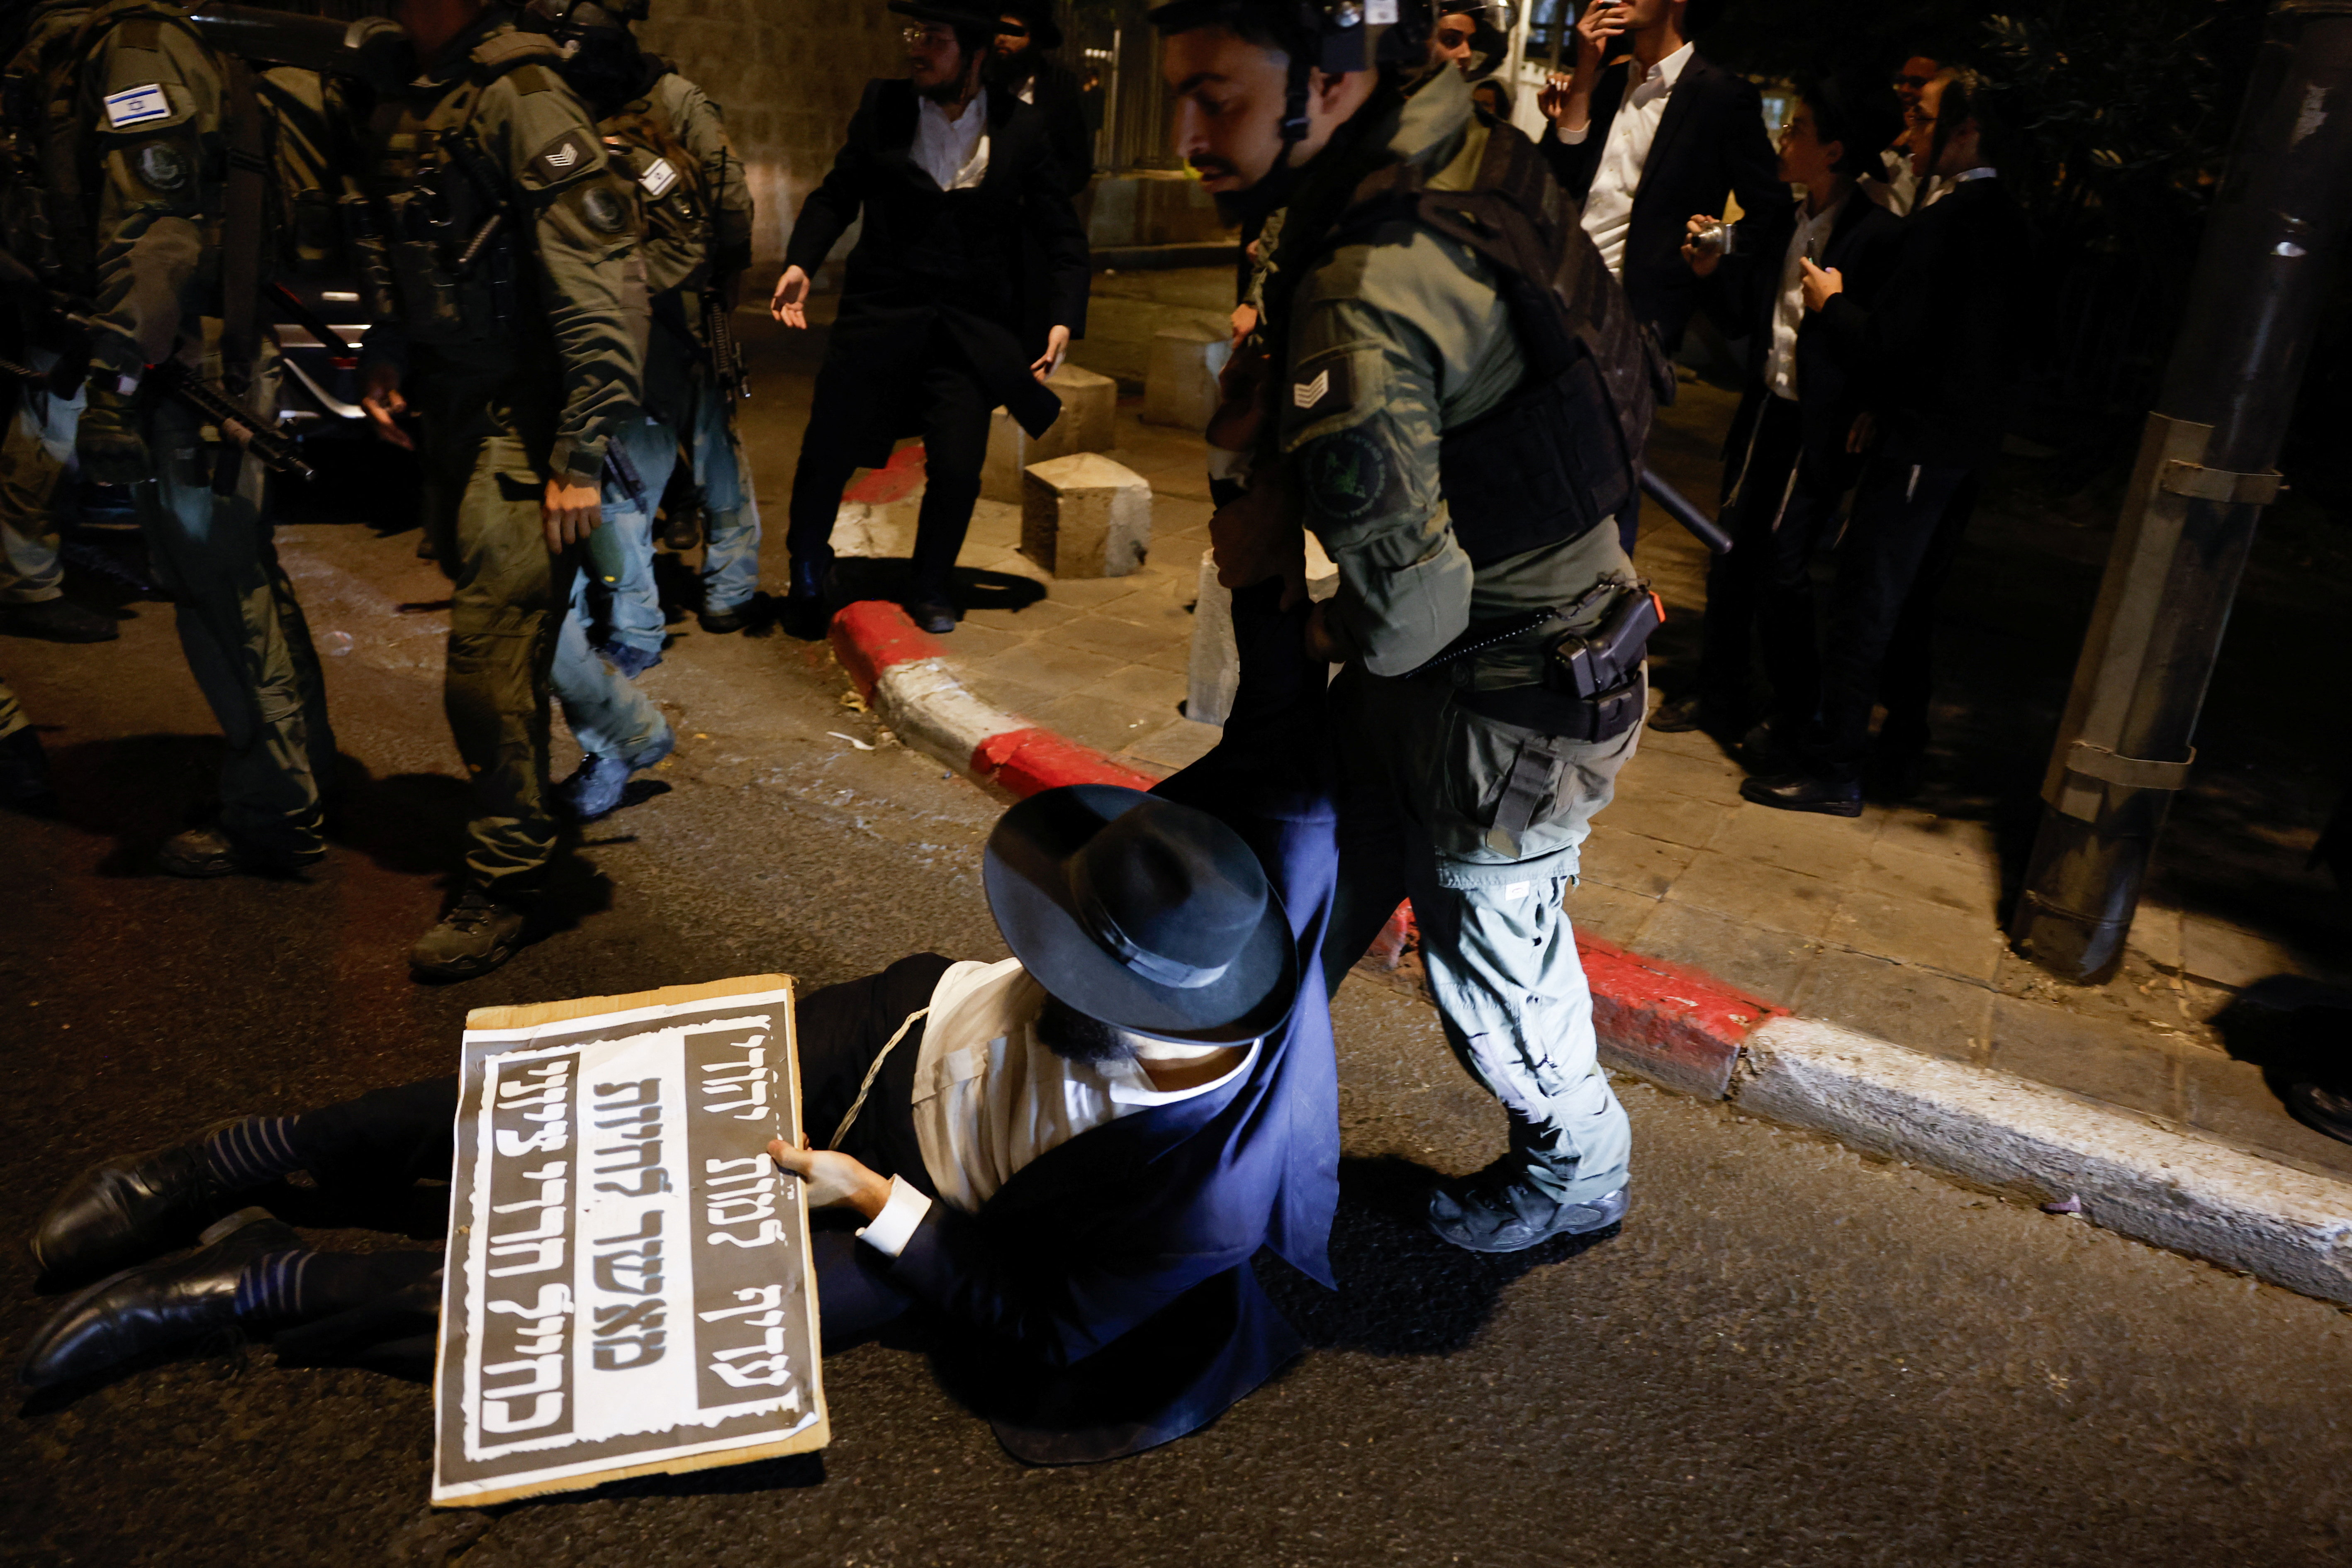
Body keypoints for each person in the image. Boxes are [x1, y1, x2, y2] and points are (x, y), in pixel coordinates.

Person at [21, 624, 1347, 1462]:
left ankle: (258, 1284)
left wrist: (875, 1200)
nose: (1040, 954)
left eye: (1069, 961)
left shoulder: (1203, 1203)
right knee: (568, 1095)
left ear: (1160, 1013)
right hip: (892, 1037)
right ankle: (232, 1158)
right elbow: (1288, 731)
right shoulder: (1198, 910)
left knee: (634, 1326)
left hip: (941, 1218)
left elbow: (1044, 1322)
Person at [1158, 0, 1663, 1253]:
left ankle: (1579, 1174)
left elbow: (1406, 617)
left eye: (1217, 97)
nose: (1185, 135)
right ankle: (1235, 1117)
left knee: (1494, 972)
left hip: (1501, 696)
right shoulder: (1453, 145)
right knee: (1320, 880)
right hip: (1481, 649)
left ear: (1329, 83)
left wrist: (1308, 607)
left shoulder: (1370, 288)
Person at [355, 0, 664, 974]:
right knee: (510, 647)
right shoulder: (418, 91)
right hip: (453, 410)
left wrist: (578, 454)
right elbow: (407, 242)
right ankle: (621, 736)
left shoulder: (524, 98)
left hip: (523, 422)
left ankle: (507, 877)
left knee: (487, 663)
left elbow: (600, 286)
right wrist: (389, 348)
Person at [63, 0, 343, 879]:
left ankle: (273, 813)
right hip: (198, 356)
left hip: (183, 364)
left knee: (219, 596)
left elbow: (157, 236)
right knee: (243, 582)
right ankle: (304, 775)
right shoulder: (148, 37)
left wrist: (115, 380)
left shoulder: (140, 46)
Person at [1741, 67, 2028, 816]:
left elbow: (1897, 344)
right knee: (1909, 603)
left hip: (1921, 446)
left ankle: (1836, 765)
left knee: (1867, 602)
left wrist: (1833, 304)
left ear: (1966, 132)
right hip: (1959, 448)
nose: (1907, 136)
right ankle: (1900, 749)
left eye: (1924, 120)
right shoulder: (2005, 218)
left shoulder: (1950, 220)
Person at [771, 0, 1089, 638]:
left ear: (974, 52)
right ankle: (806, 567)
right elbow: (837, 194)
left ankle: (931, 583)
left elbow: (1061, 234)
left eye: (934, 39)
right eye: (914, 34)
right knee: (828, 447)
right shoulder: (885, 105)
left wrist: (1062, 318)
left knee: (957, 464)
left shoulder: (1021, 128)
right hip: (880, 313)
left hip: (966, 329)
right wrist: (801, 261)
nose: (916, 48)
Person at [526, 0, 757, 821]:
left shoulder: (668, 106)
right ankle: (647, 620)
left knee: (691, 459)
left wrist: (710, 288)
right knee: (645, 472)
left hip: (668, 317)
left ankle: (717, 594)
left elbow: (723, 208)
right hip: (629, 320)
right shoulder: (560, 109)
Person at [1648, 73, 1904, 745]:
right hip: (1765, 407)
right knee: (1728, 551)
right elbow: (1743, 318)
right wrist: (1709, 275)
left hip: (1814, 422)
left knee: (1784, 568)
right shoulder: (1782, 225)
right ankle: (1721, 692)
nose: (1784, 138)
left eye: (1798, 129)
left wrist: (1866, 394)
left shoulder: (1875, 235)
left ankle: (1796, 713)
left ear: (1834, 151)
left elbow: (1885, 341)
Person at [1534, 0, 1782, 358]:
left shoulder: (1722, 96)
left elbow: (1770, 210)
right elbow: (1554, 183)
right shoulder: (1605, 81)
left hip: (1636, 323)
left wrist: (1713, 245)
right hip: (1556, 292)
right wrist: (1585, 69)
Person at [990, 0, 1091, 197]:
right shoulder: (983, 84)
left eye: (1012, 32)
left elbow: (1076, 163)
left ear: (1035, 39)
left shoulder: (1059, 88)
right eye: (999, 31)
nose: (1001, 39)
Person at [1862, 54, 1941, 216]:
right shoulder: (1876, 128)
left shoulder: (1937, 150)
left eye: (1917, 83)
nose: (1904, 90)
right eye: (1901, 81)